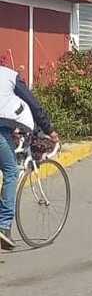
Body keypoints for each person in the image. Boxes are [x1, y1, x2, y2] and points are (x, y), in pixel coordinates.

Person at [0, 63, 58, 250]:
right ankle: (4, 226)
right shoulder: (10, 76)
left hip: (5, 130)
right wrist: (49, 130)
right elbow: (33, 104)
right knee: (10, 172)